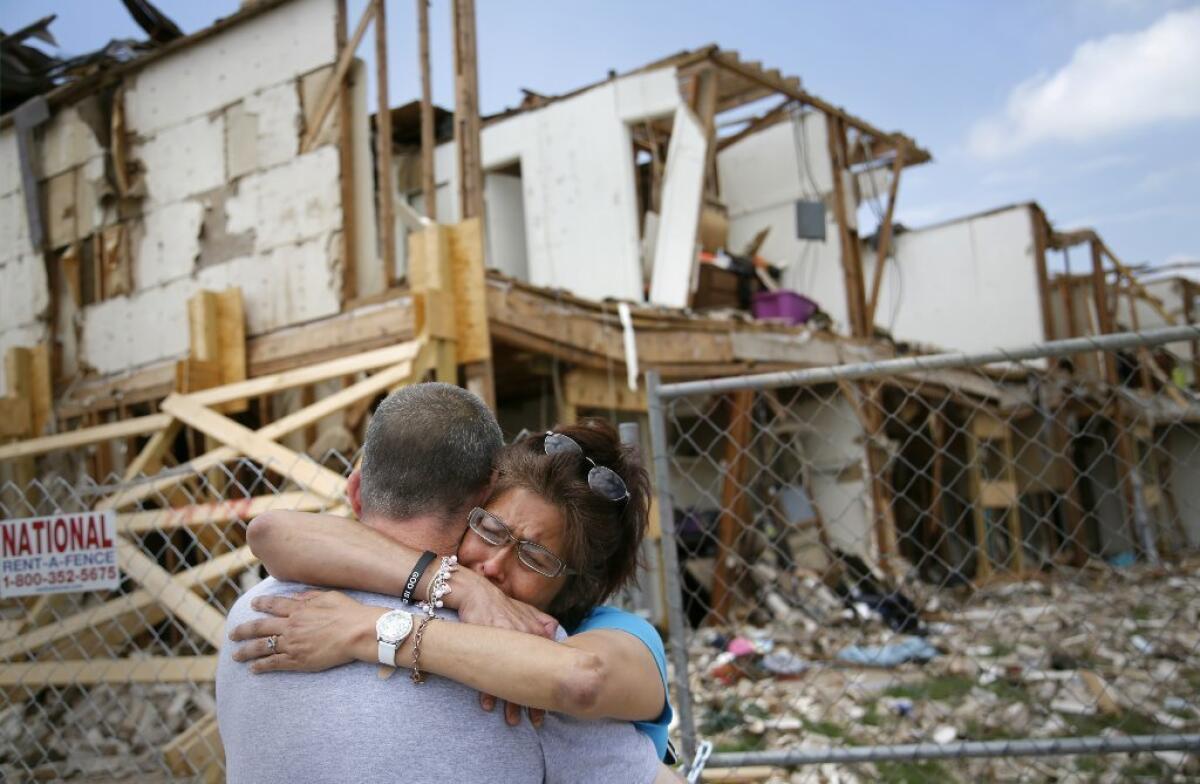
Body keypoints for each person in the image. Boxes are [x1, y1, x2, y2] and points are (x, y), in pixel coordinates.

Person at [216, 383, 671, 784]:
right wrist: (458, 586)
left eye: (535, 557)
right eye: (491, 530)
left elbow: (578, 678)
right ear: (476, 506)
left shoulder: (255, 610)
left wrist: (371, 629)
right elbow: (268, 530)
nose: (492, 567)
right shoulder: (487, 629)